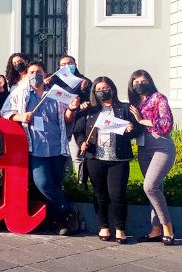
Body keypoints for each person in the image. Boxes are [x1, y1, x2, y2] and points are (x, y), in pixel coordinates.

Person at [1, 61, 80, 235]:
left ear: (45, 74)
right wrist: (20, 116)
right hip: (35, 147)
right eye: (31, 72)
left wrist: (72, 109)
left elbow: (67, 119)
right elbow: (5, 112)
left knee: (56, 186)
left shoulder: (56, 94)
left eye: (38, 71)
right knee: (43, 183)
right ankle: (68, 209)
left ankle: (58, 222)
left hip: (56, 146)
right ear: (26, 75)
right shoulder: (19, 93)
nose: (35, 74)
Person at [73, 77, 142, 244]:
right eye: (98, 89)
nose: (102, 92)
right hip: (95, 157)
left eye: (105, 88)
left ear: (112, 89)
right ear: (94, 92)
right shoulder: (89, 110)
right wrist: (82, 142)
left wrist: (131, 129)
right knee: (100, 194)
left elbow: (136, 130)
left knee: (117, 195)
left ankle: (120, 228)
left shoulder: (124, 109)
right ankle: (103, 226)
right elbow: (78, 131)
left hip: (118, 158)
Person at [128, 70, 176, 246]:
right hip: (143, 148)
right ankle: (155, 230)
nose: (139, 84)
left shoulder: (158, 98)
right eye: (136, 82)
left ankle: (167, 226)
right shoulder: (134, 102)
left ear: (149, 81)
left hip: (161, 146)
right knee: (156, 189)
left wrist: (141, 120)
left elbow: (166, 124)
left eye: (143, 81)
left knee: (149, 187)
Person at [47, 55, 92, 182]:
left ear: (75, 65)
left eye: (70, 63)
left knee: (76, 155)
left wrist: (84, 93)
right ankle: (65, 183)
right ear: (59, 67)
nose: (67, 66)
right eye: (63, 64)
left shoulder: (84, 81)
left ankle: (79, 185)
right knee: (62, 154)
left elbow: (93, 100)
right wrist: (45, 84)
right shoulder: (53, 81)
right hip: (58, 122)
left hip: (78, 121)